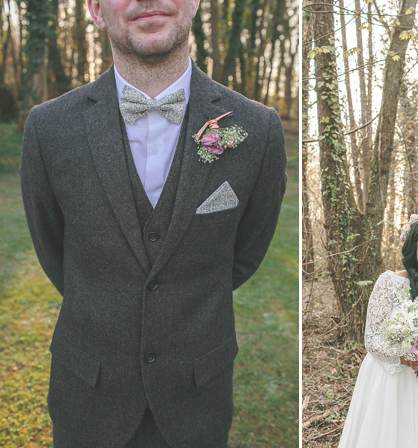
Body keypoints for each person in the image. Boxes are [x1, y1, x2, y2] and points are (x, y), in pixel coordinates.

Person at [19, 0, 287, 446]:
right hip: (87, 395)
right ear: (94, 8)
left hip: (198, 398)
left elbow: (245, 254)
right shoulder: (48, 128)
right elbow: (54, 251)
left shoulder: (257, 130)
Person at [338, 212, 418, 448]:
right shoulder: (390, 282)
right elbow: (370, 338)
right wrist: (404, 357)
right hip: (390, 378)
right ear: (413, 248)